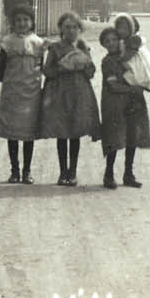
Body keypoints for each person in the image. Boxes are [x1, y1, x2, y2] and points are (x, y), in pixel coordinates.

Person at [38, 11, 100, 186]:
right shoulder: (55, 48)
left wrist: (85, 62)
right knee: (62, 132)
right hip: (60, 93)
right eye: (67, 27)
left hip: (79, 93)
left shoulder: (83, 46)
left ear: (79, 29)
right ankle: (62, 171)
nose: (71, 31)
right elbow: (47, 71)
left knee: (75, 132)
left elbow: (91, 72)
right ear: (61, 29)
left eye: (74, 27)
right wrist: (61, 68)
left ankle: (72, 171)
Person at [0, 2, 45, 184]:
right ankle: (14, 170)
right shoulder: (7, 42)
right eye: (18, 20)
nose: (22, 23)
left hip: (31, 93)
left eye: (25, 20)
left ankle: (27, 171)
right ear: (12, 23)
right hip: (12, 92)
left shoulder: (39, 43)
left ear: (32, 22)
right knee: (12, 132)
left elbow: (43, 67)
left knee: (29, 133)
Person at [98, 27, 150, 189]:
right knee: (114, 138)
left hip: (132, 102)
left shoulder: (128, 57)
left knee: (132, 135)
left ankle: (129, 173)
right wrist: (133, 89)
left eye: (114, 39)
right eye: (107, 41)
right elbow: (113, 85)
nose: (111, 43)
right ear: (103, 45)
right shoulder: (107, 62)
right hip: (114, 103)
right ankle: (109, 174)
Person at [113, 13, 150, 94]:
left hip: (136, 63)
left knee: (136, 75)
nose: (121, 31)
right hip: (130, 63)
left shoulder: (134, 40)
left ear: (132, 29)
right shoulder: (123, 41)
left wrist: (118, 59)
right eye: (119, 28)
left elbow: (128, 55)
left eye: (125, 29)